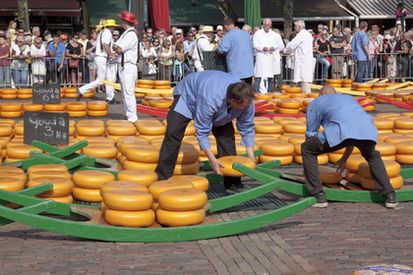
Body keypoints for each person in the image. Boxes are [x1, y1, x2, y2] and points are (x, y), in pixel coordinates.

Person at [155, 71, 255, 193]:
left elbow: (247, 127)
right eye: (242, 107)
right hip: (188, 95)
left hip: (213, 94)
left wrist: (251, 157)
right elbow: (202, 132)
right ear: (231, 100)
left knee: (227, 138)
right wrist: (213, 161)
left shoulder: (247, 101)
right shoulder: (210, 99)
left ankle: (232, 182)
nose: (245, 108)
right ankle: (162, 178)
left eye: (246, 106)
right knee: (173, 133)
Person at [302, 86, 398, 209]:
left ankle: (318, 195)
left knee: (307, 149)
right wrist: (344, 159)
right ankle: (390, 195)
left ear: (320, 95)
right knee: (372, 156)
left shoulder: (316, 103)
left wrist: (308, 168)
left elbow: (311, 134)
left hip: (340, 131)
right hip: (367, 129)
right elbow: (352, 134)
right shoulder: (349, 99)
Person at [78, 19, 119, 103]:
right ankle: (82, 89)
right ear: (111, 26)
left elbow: (102, 44)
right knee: (100, 80)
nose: (114, 28)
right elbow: (105, 44)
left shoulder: (102, 33)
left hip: (101, 58)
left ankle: (110, 97)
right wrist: (111, 54)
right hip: (102, 58)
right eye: (113, 26)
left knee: (109, 78)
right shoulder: (107, 33)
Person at [112, 11, 139, 122]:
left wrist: (114, 45)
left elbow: (118, 48)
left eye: (122, 20)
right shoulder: (126, 33)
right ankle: (129, 115)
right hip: (124, 65)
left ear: (125, 22)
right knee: (125, 92)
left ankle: (132, 117)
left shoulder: (130, 34)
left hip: (128, 66)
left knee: (128, 92)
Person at [218, 17, 254, 83]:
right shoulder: (246, 34)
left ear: (225, 26)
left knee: (237, 92)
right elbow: (252, 49)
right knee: (247, 91)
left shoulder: (228, 35)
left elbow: (222, 50)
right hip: (249, 70)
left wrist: (217, 47)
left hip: (236, 71)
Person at [253, 18, 285, 93]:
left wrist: (273, 47)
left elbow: (278, 45)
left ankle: (270, 94)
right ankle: (257, 94)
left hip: (271, 58)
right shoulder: (258, 33)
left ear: (270, 25)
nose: (267, 26)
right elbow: (255, 44)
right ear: (263, 25)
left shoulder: (274, 35)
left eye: (268, 25)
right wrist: (262, 48)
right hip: (261, 57)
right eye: (265, 24)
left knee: (271, 78)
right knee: (258, 77)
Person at [284, 20, 314, 94]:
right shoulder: (308, 34)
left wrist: (284, 50)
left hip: (302, 60)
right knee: (303, 80)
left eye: (295, 26)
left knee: (304, 80)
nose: (294, 28)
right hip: (306, 59)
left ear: (299, 27)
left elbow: (291, 45)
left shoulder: (301, 34)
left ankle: (306, 99)